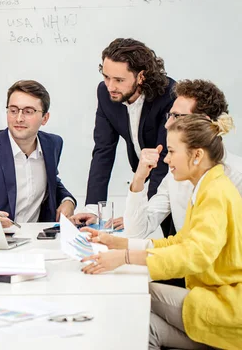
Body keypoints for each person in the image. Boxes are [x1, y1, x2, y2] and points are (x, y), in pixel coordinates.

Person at [81, 114, 242, 350]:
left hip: (226, 308)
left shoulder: (215, 193)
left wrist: (125, 258)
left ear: (197, 155)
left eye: (172, 151)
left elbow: (194, 255)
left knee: (131, 295)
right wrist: (119, 243)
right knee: (143, 325)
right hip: (215, 301)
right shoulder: (207, 186)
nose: (166, 159)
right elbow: (180, 242)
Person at [73, 38, 175, 235]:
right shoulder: (106, 94)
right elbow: (103, 150)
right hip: (145, 180)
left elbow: (162, 162)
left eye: (119, 80)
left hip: (173, 184)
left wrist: (138, 217)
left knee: (174, 240)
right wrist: (92, 208)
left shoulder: (169, 95)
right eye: (106, 77)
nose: (110, 86)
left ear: (141, 77)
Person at [124, 79, 242, 242]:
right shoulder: (175, 176)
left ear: (203, 122)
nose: (167, 125)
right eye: (170, 115)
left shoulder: (237, 177)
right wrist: (139, 178)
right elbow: (136, 232)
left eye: (177, 116)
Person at [0, 80, 75, 225]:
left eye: (28, 111)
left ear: (45, 118)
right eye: (13, 110)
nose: (19, 118)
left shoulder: (52, 144)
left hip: (36, 239)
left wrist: (68, 201)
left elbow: (51, 180)